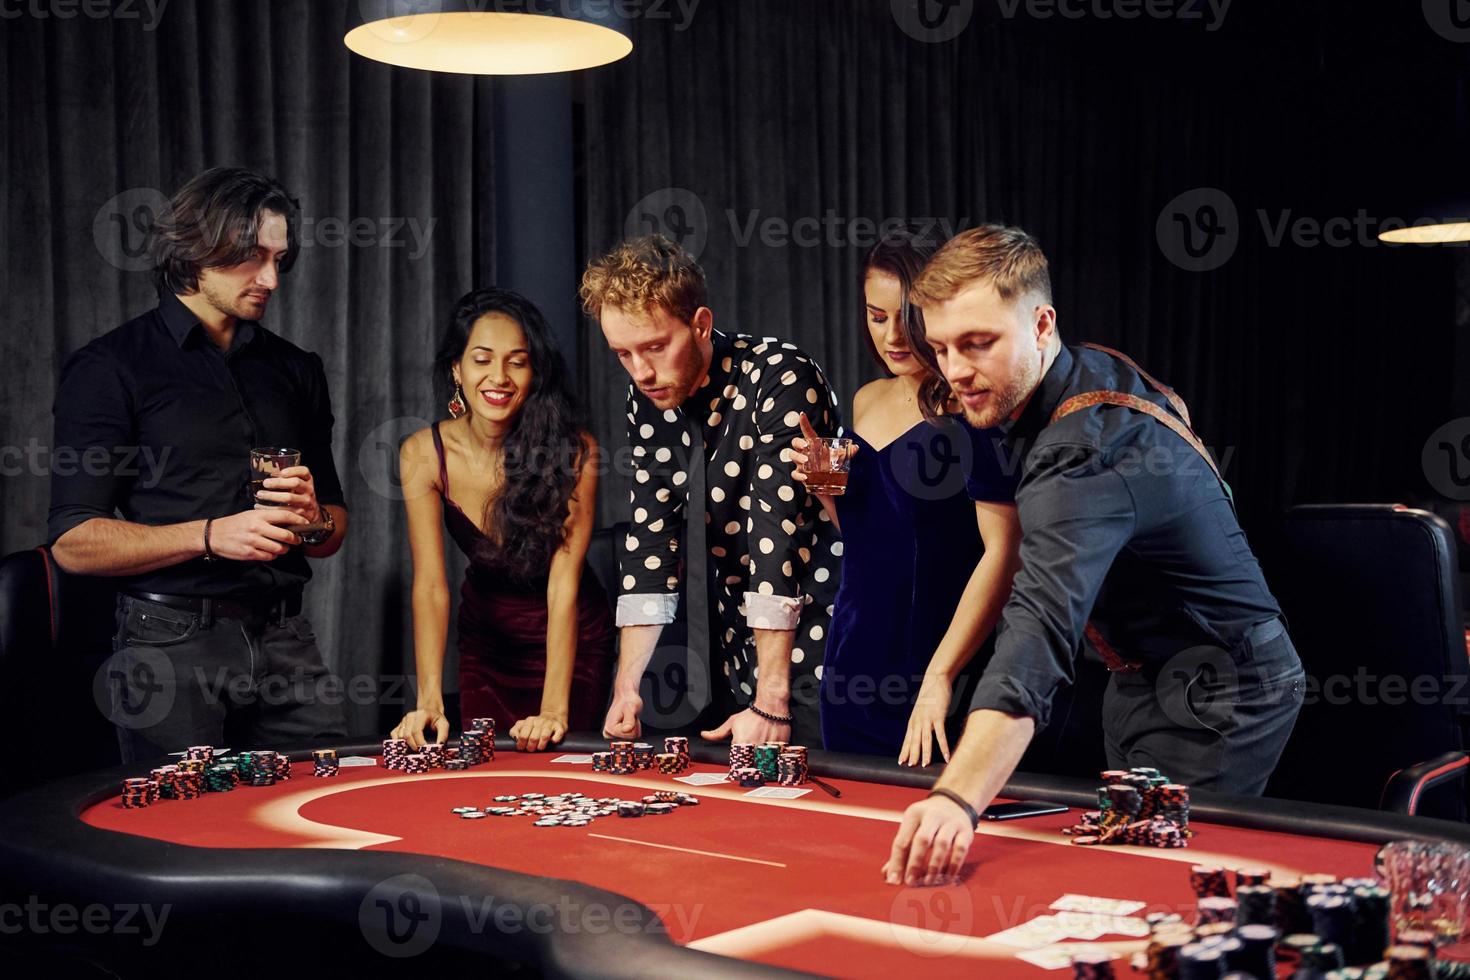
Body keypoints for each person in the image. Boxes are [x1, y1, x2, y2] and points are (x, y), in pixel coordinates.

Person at [883, 224, 1304, 886]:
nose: (955, 371)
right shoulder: (1083, 367)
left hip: (1225, 686)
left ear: (1041, 323)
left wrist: (955, 797)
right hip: (1137, 678)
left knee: (1143, 888)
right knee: (1114, 878)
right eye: (940, 347)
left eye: (977, 343)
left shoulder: (1083, 452)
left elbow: (1038, 633)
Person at [49, 166, 349, 763]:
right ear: (196, 249)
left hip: (287, 637)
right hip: (168, 643)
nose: (270, 278)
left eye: (279, 259)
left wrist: (313, 518)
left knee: (321, 819)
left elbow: (332, 533)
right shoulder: (110, 368)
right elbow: (73, 543)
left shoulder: (295, 369)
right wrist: (210, 535)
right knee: (185, 841)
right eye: (251, 257)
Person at [581, 235, 843, 747]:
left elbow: (777, 541)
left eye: (656, 347)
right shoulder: (648, 397)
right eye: (623, 354)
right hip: (743, 646)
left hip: (828, 645)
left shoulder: (780, 374)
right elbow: (650, 543)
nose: (641, 372)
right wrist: (626, 688)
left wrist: (773, 700)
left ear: (701, 324)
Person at [790, 232, 1022, 765]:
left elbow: (1005, 551)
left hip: (937, 663)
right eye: (876, 316)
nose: (892, 335)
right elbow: (866, 537)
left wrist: (942, 676)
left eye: (907, 316)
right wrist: (825, 483)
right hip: (853, 659)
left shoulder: (970, 403)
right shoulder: (866, 398)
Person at [391, 288, 615, 752]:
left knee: (563, 776)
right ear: (456, 368)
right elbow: (431, 584)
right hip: (487, 644)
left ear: (535, 373)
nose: (499, 377)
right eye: (482, 359)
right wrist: (428, 699)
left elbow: (563, 583)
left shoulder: (576, 451)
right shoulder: (422, 454)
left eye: (517, 361)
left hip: (570, 642)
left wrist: (555, 708)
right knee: (488, 778)